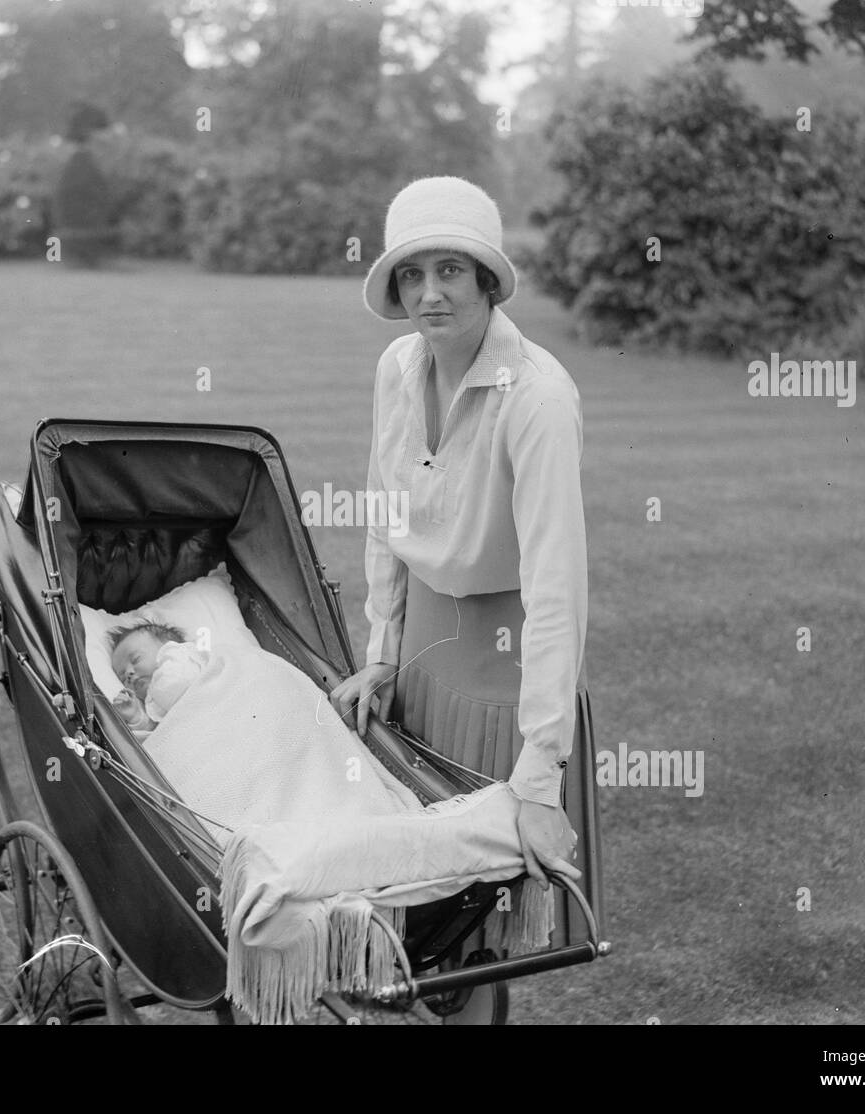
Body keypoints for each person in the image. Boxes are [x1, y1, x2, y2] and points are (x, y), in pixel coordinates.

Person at [329, 175, 589, 942]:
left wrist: (540, 777)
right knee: (416, 916)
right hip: (418, 666)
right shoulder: (397, 369)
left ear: (487, 279)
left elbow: (556, 591)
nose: (429, 293)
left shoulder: (538, 398)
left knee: (476, 935)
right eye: (412, 273)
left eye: (450, 270)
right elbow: (388, 519)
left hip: (499, 681)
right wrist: (381, 655)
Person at [109, 621, 209, 731]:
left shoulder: (184, 657)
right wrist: (136, 718)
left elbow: (180, 683)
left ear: (168, 646)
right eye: (122, 677)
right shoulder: (152, 706)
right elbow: (158, 735)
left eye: (136, 659)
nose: (128, 673)